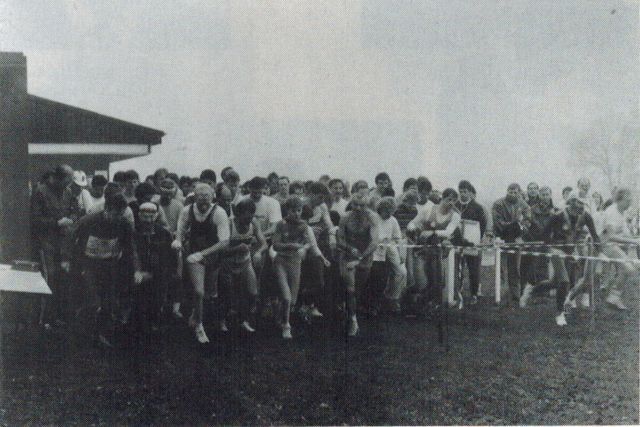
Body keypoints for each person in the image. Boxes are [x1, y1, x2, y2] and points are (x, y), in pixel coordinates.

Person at [72, 193, 134, 347]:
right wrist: (72, 263)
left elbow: (129, 248)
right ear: (106, 209)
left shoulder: (124, 224)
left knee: (109, 301)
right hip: (89, 263)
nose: (117, 218)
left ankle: (101, 333)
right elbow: (72, 239)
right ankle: (84, 331)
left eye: (121, 214)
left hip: (109, 264)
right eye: (115, 214)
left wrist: (128, 269)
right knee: (93, 299)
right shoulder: (89, 221)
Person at [173, 183, 230, 343]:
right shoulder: (187, 210)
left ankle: (195, 314)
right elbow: (180, 229)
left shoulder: (219, 212)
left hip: (212, 255)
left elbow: (224, 242)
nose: (203, 202)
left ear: (212, 197)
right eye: (200, 198)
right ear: (194, 197)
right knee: (199, 291)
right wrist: (178, 241)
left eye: (207, 198)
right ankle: (199, 326)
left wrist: (203, 254)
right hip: (194, 254)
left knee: (210, 293)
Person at [538, 192, 599, 326]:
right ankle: (560, 314)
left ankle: (532, 289)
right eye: (579, 203)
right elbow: (544, 234)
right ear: (571, 202)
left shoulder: (585, 216)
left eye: (584, 203)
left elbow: (595, 235)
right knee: (564, 281)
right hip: (557, 250)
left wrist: (600, 250)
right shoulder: (558, 216)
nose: (582, 206)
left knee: (556, 282)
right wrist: (551, 246)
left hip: (571, 252)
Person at [272, 197, 330, 339]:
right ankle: (286, 326)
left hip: (295, 262)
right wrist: (292, 246)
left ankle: (280, 312)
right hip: (281, 261)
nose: (297, 214)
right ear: (287, 210)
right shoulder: (281, 224)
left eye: (299, 210)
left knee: (292, 301)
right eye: (293, 211)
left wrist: (306, 249)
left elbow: (310, 243)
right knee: (287, 297)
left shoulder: (304, 225)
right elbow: (275, 245)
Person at [31, 164, 75, 327]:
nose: (68, 184)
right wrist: (57, 223)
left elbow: (72, 210)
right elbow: (35, 220)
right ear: (58, 178)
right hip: (45, 243)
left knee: (61, 280)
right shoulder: (40, 192)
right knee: (48, 278)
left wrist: (71, 219)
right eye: (67, 181)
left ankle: (55, 316)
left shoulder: (68, 192)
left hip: (62, 243)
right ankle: (42, 319)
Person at [407, 189, 461, 309]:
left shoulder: (455, 215)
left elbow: (448, 232)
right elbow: (412, 223)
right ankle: (421, 303)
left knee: (439, 280)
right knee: (422, 279)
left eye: (454, 201)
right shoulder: (428, 210)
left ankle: (436, 303)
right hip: (423, 249)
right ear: (442, 198)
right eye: (449, 200)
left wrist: (432, 232)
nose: (451, 203)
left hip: (441, 251)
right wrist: (414, 229)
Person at [219, 198, 267, 333]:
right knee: (227, 294)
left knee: (253, 292)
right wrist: (237, 248)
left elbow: (264, 243)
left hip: (245, 262)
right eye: (246, 217)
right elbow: (219, 251)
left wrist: (258, 252)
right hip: (227, 264)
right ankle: (222, 321)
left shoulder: (254, 223)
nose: (249, 220)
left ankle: (244, 320)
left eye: (251, 216)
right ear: (238, 214)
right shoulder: (229, 224)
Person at [337, 194, 380, 336]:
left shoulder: (372, 218)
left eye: (362, 205)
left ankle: (350, 311)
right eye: (355, 204)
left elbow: (374, 242)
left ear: (367, 206)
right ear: (351, 204)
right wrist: (350, 249)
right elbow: (340, 239)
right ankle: (353, 320)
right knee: (351, 289)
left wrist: (361, 257)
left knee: (357, 290)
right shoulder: (345, 217)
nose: (358, 208)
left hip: (365, 256)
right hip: (348, 256)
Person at [132, 202, 174, 334]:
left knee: (157, 301)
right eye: (145, 217)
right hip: (139, 273)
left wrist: (153, 274)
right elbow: (133, 253)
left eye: (151, 217)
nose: (148, 220)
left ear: (156, 216)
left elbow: (168, 258)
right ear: (139, 216)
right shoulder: (134, 232)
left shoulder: (164, 233)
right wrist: (138, 271)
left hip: (159, 274)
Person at [597, 188, 639, 310]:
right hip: (603, 246)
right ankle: (613, 296)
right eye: (627, 200)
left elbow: (625, 233)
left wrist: (635, 238)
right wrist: (634, 241)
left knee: (628, 269)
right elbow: (611, 236)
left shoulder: (622, 212)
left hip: (612, 245)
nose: (630, 202)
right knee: (628, 268)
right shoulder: (611, 212)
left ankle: (614, 297)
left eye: (630, 200)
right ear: (619, 200)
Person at [492, 183, 531, 305]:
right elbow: (498, 222)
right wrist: (514, 225)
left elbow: (527, 222)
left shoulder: (524, 205)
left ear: (519, 193)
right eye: (510, 191)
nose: (512, 194)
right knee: (501, 268)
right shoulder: (498, 203)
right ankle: (500, 295)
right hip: (501, 239)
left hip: (517, 239)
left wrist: (520, 230)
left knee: (515, 268)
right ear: (507, 191)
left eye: (515, 192)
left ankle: (515, 296)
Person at [519, 186, 559, 307]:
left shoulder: (556, 210)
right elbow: (526, 225)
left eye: (547, 194)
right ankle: (529, 294)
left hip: (550, 242)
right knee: (533, 268)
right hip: (535, 242)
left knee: (549, 269)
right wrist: (530, 236)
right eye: (542, 195)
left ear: (550, 195)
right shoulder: (532, 209)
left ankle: (544, 294)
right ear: (539, 196)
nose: (545, 197)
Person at [301, 182, 334, 318]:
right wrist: (311, 231)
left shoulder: (322, 206)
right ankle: (302, 305)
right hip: (300, 244)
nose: (322, 200)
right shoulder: (301, 205)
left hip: (316, 245)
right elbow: (300, 229)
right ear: (311, 194)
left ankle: (312, 305)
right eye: (320, 197)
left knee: (320, 276)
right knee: (304, 277)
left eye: (324, 198)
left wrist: (331, 234)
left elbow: (329, 224)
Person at [455, 181, 488, 305]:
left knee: (473, 268)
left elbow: (482, 224)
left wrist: (476, 238)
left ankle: (474, 294)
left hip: (472, 242)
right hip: (458, 241)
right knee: (457, 267)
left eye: (465, 191)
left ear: (470, 192)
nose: (463, 194)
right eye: (460, 191)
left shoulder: (477, 207)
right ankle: (457, 292)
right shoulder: (455, 206)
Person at [156, 179, 185, 319]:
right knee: (160, 276)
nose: (167, 196)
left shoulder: (179, 205)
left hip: (174, 243)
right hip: (158, 244)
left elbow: (182, 226)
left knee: (177, 276)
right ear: (159, 191)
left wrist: (177, 240)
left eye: (170, 193)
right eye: (164, 193)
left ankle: (176, 308)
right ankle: (159, 305)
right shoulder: (154, 203)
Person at [372, 197, 406, 313]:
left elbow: (398, 238)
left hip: (390, 247)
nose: (389, 214)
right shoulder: (373, 218)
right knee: (377, 274)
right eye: (387, 211)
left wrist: (401, 253)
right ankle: (375, 302)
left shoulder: (393, 220)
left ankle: (393, 298)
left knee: (401, 272)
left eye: (391, 212)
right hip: (375, 249)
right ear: (381, 209)